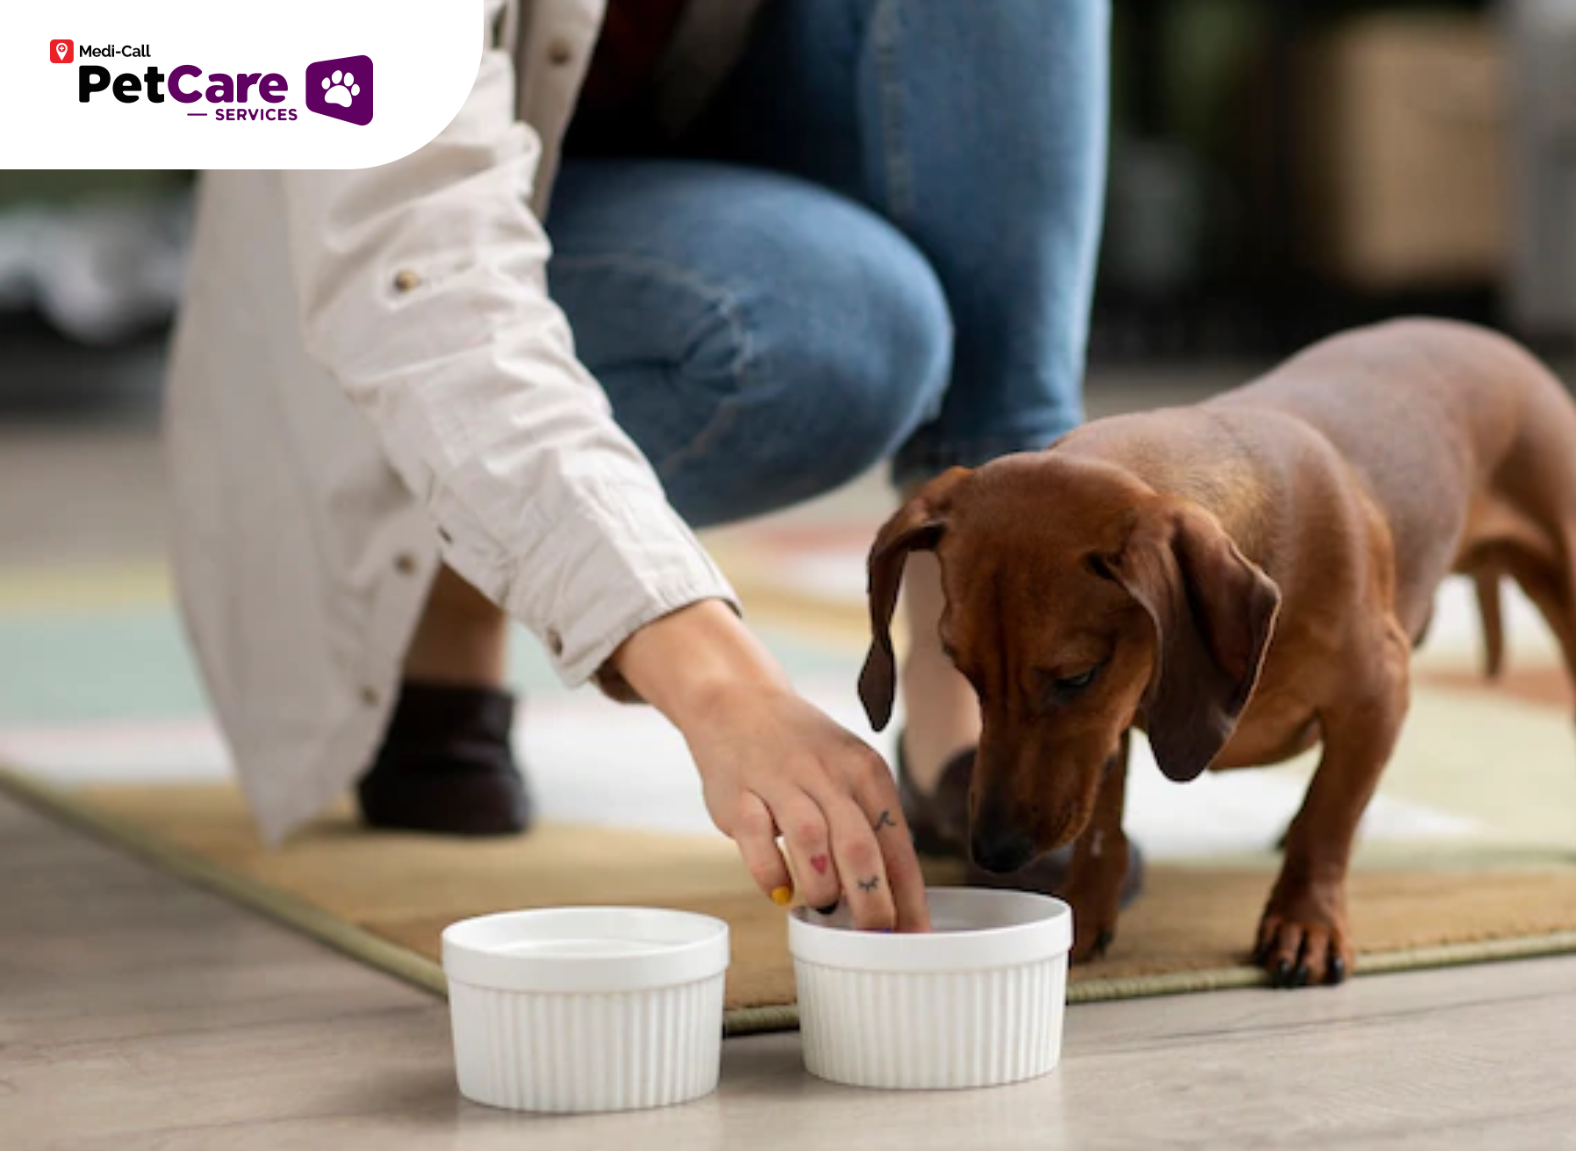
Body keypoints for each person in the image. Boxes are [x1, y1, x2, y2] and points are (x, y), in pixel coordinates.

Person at [162, 0, 1110, 933]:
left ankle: (971, 695)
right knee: (841, 336)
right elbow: (420, 281)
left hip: (707, 142)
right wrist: (721, 688)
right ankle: (447, 578)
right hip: (414, 251)